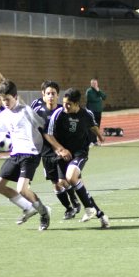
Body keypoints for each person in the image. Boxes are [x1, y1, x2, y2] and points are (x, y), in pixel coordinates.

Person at [0, 79, 51, 231]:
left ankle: (43, 212)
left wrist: (52, 148)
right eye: (2, 99)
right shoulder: (4, 115)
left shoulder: (26, 111)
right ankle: (28, 207)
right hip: (15, 154)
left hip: (30, 154)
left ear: (16, 97)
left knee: (22, 189)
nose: (5, 102)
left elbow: (44, 127)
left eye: (8, 99)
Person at [45, 87, 110, 229]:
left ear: (76, 104)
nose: (65, 106)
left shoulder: (86, 114)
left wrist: (100, 135)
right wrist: (61, 149)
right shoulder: (58, 114)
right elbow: (49, 135)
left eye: (68, 104)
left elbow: (92, 125)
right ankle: (99, 214)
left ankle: (88, 208)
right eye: (64, 103)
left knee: (71, 177)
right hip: (63, 155)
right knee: (63, 182)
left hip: (80, 152)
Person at [32, 80, 81, 220]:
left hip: (61, 150)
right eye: (48, 93)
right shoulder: (37, 111)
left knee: (63, 180)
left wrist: (64, 148)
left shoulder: (62, 111)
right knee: (56, 184)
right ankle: (69, 208)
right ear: (43, 94)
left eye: (53, 93)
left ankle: (74, 199)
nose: (51, 96)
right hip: (46, 152)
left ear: (58, 95)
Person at [85, 78, 107, 144]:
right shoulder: (89, 91)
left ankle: (94, 140)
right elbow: (92, 99)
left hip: (98, 111)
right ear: (91, 84)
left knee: (97, 126)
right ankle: (90, 140)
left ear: (97, 84)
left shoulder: (98, 91)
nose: (94, 85)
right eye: (93, 83)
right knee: (92, 126)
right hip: (92, 111)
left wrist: (99, 92)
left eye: (95, 83)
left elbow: (104, 97)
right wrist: (99, 98)